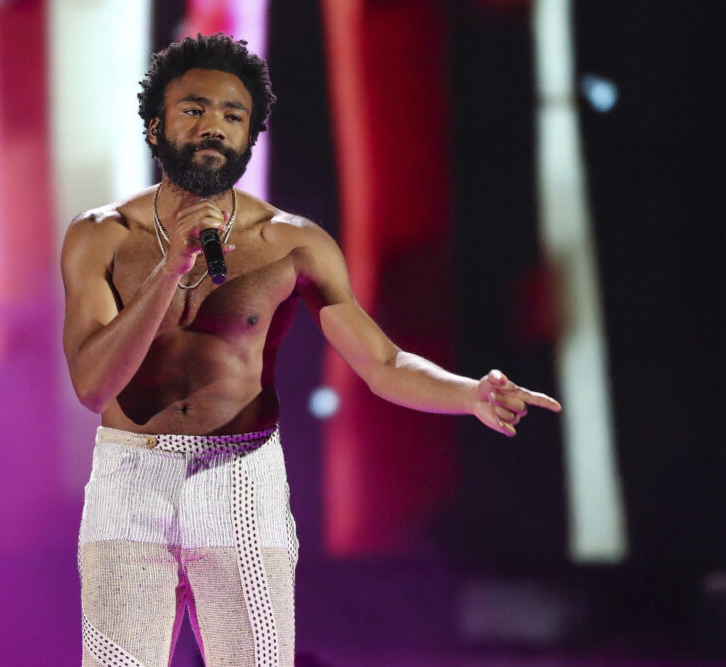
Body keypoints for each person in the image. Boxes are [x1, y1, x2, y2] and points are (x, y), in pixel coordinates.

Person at [61, 33, 561, 667]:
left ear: (250, 137)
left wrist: (468, 393)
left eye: (233, 115)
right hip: (130, 482)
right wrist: (169, 269)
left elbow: (382, 363)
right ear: (155, 125)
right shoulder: (100, 236)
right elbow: (92, 386)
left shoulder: (292, 242)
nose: (214, 126)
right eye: (194, 109)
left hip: (240, 482)